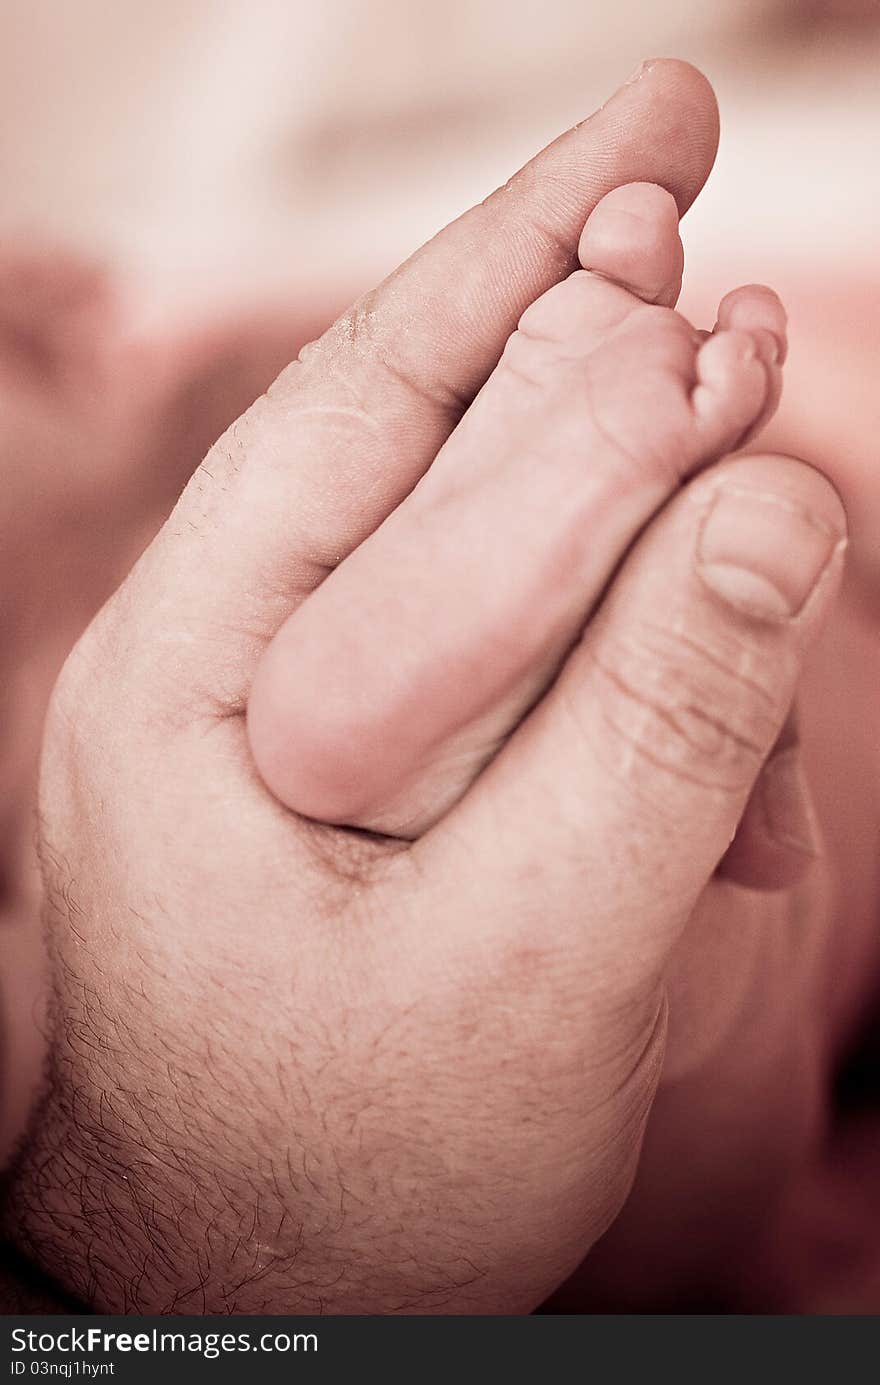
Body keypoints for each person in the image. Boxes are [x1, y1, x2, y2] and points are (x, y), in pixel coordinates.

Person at [0, 59, 876, 1314]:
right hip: (167, 869)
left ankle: (553, 696)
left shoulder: (204, 386)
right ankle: (656, 906)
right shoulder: (219, 385)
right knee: (747, 883)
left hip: (141, 814)